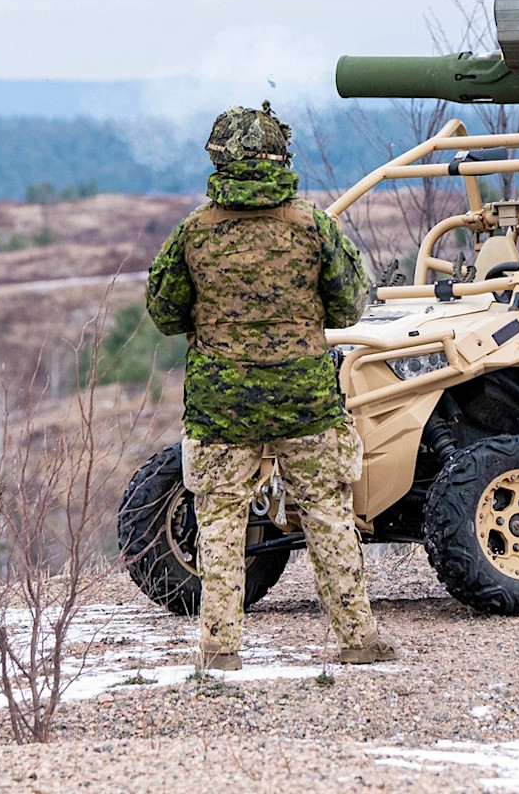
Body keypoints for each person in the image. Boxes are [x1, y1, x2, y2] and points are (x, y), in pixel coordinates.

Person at [145, 103, 394, 671]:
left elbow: (162, 311)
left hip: (220, 405)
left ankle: (220, 650)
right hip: (305, 397)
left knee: (220, 520)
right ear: (281, 158)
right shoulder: (313, 226)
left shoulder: (192, 233)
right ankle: (358, 640)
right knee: (328, 513)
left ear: (219, 160)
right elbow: (352, 303)